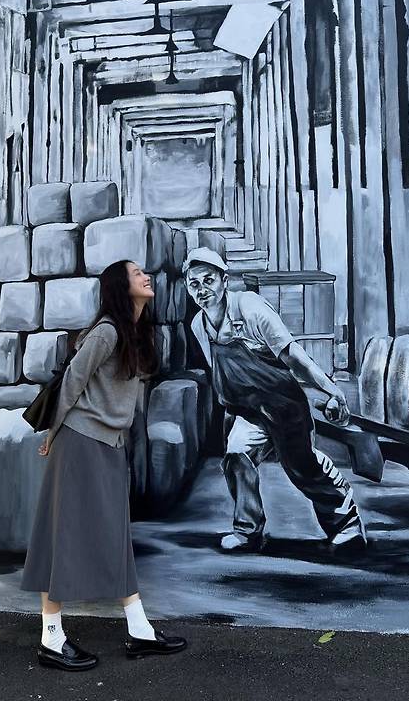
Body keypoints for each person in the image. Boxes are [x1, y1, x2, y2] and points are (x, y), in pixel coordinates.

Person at [21, 260, 187, 670]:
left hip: (109, 443)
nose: (146, 276)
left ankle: (139, 629)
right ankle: (51, 637)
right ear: (120, 286)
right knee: (62, 535)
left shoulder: (134, 333)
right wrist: (53, 434)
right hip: (79, 441)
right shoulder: (107, 332)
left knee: (115, 535)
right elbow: (72, 382)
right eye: (136, 273)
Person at [183, 248, 367, 555]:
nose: (202, 290)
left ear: (225, 281)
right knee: (237, 456)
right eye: (194, 284)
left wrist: (331, 391)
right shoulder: (198, 326)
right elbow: (222, 373)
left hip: (283, 406)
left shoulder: (250, 308)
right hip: (249, 411)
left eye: (209, 280)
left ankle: (347, 526)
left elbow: (294, 357)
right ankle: (248, 531)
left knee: (303, 467)